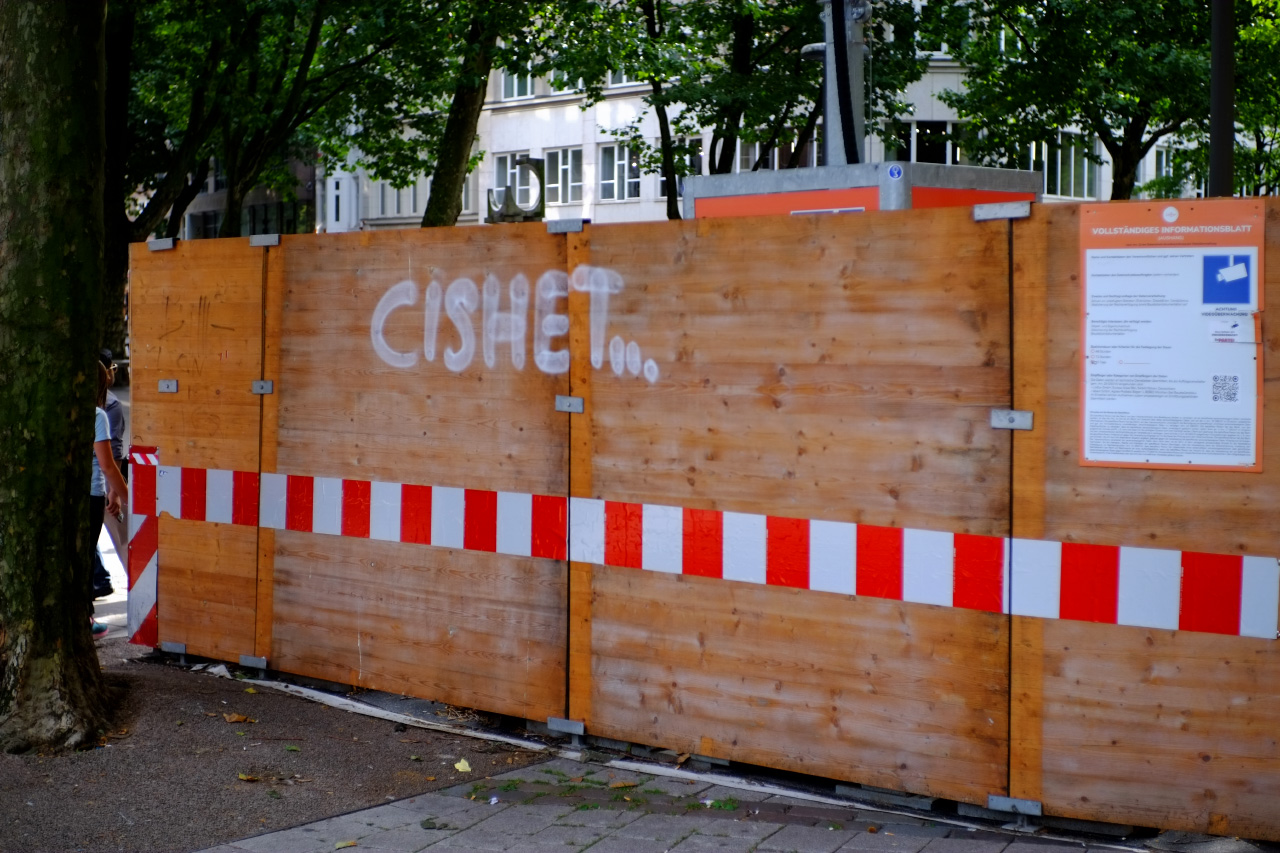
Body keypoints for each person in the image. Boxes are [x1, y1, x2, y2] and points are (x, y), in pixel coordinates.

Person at [91, 361, 128, 640]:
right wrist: (126, 496)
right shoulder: (98, 414)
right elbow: (107, 465)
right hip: (92, 494)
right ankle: (86, 619)